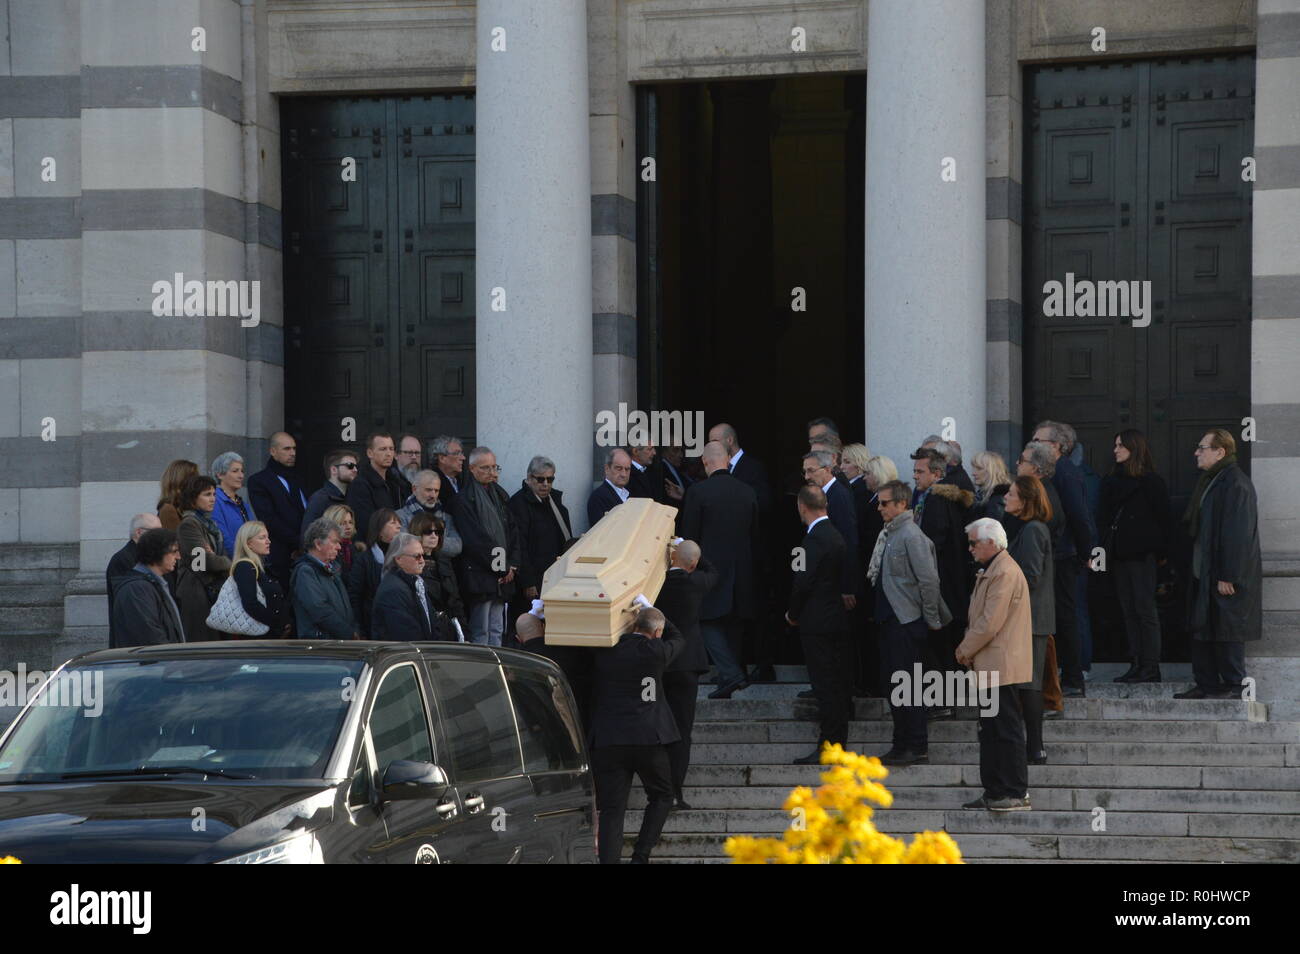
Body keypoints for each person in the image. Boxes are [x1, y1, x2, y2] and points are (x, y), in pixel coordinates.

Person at [588, 606, 685, 864]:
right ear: (657, 632)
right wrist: (651, 606)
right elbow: (678, 639)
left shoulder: (605, 651)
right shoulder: (657, 651)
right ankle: (641, 855)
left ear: (632, 627)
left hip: (609, 739)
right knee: (663, 795)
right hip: (648, 738)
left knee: (611, 809)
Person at [865, 479, 951, 766]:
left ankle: (916, 745)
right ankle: (901, 744)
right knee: (894, 686)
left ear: (902, 504)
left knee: (907, 686)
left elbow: (929, 581)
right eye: (879, 502)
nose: (880, 508)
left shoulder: (911, 536)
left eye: (885, 503)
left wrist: (930, 619)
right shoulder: (891, 534)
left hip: (906, 621)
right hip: (890, 621)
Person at [1176, 428, 1262, 700]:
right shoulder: (1212, 480)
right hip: (1205, 568)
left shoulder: (1235, 483)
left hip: (1223, 573)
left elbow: (1237, 533)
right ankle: (1206, 682)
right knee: (1204, 624)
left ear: (1220, 452)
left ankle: (1235, 685)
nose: (1196, 453)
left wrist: (1228, 575)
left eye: (1203, 448)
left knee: (1227, 628)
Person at [957, 517, 1033, 812]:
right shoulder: (995, 569)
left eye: (974, 543)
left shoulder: (1003, 572)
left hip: (1000, 664)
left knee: (1005, 728)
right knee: (990, 729)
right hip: (991, 664)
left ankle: (1014, 791)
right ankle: (996, 790)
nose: (971, 549)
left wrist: (964, 649)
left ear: (991, 543)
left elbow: (989, 623)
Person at [680, 440, 760, 699]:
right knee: (734, 623)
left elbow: (689, 537)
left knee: (704, 620)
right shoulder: (748, 492)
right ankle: (729, 675)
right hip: (742, 570)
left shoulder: (698, 492)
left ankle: (730, 672)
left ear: (705, 462)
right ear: (727, 460)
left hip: (708, 570)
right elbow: (754, 534)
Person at [787, 486, 853, 765]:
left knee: (825, 686)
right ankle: (835, 743)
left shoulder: (811, 540)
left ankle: (830, 745)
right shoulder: (835, 535)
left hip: (816, 622)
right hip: (834, 619)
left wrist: (792, 613)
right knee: (834, 685)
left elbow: (802, 581)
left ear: (802, 506)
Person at [1099, 429, 1171, 684]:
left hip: (1142, 556)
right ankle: (1136, 663)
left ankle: (1150, 666)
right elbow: (1103, 519)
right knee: (1129, 611)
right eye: (1115, 445)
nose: (1116, 450)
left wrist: (1162, 555)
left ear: (1134, 448)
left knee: (1144, 610)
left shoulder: (1151, 482)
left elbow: (1164, 521)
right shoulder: (1110, 481)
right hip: (1119, 555)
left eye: (1121, 445)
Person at [1031, 420, 1097, 697]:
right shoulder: (1054, 471)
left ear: (1057, 446)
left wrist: (1085, 553)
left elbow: (1079, 516)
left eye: (1039, 440)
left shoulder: (1065, 474)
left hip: (1064, 555)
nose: (1032, 444)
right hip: (1057, 554)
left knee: (1066, 616)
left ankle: (1072, 678)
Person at [655, 539, 719, 807]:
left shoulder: (656, 585)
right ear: (692, 564)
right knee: (682, 730)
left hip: (658, 663)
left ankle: (657, 791)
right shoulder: (696, 583)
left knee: (657, 729)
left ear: (671, 559)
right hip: (688, 664)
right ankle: (673, 792)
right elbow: (713, 571)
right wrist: (687, 550)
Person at [910, 446, 973, 708]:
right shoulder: (942, 497)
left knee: (941, 643)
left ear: (936, 474)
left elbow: (933, 542)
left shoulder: (935, 500)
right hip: (952, 582)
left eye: (919, 471)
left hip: (942, 584)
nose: (914, 476)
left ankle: (943, 701)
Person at [1002, 475, 1054, 765]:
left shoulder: (1034, 530)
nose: (1005, 498)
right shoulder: (1026, 528)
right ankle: (1032, 746)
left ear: (1025, 500)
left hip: (1031, 619)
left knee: (1030, 684)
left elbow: (1030, 576)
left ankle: (1035, 747)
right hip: (1027, 618)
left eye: (1011, 494)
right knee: (1025, 683)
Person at [449, 446, 521, 646]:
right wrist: (501, 567)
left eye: (494, 467)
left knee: (497, 629)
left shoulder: (500, 495)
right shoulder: (464, 500)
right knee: (481, 631)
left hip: (502, 574)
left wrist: (512, 565)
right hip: (480, 574)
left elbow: (512, 531)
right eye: (485, 468)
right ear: (472, 469)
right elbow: (475, 540)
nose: (492, 473)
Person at [246, 432, 310, 590]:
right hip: (280, 556)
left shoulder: (298, 478)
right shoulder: (259, 481)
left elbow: (306, 510)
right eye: (287, 449)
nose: (293, 453)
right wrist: (298, 542)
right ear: (273, 451)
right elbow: (269, 519)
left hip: (306, 552)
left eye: (294, 448)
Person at [515, 606, 594, 727]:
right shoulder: (568, 652)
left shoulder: (517, 666)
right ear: (543, 627)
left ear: (518, 639)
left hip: (549, 729)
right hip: (581, 718)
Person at [508, 455, 574, 600]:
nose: (545, 484)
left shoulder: (554, 501)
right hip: (534, 579)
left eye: (550, 479)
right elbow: (519, 545)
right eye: (540, 479)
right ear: (529, 478)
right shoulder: (519, 504)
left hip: (555, 575)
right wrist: (528, 582)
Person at [175, 475, 232, 640]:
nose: (213, 499)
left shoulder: (210, 524)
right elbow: (202, 562)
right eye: (207, 495)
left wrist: (216, 558)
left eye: (214, 494)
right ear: (193, 499)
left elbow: (217, 557)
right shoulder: (189, 524)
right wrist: (225, 562)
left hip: (213, 590)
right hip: (197, 592)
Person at [802, 450, 860, 608]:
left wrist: (847, 586)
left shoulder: (838, 495)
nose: (807, 477)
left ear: (827, 469)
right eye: (805, 471)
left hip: (835, 581)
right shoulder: (822, 494)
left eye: (811, 471)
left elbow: (848, 539)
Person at [110, 528, 185, 647]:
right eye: (174, 551)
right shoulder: (137, 589)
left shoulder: (151, 584)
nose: (178, 557)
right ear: (157, 552)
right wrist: (172, 659)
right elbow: (150, 637)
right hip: (156, 663)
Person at [291, 518, 358, 638]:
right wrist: (349, 633)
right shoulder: (305, 572)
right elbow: (319, 611)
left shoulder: (333, 568)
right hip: (322, 648)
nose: (339, 547)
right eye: (335, 542)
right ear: (318, 544)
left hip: (338, 643)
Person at [106, 513, 163, 647]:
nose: (161, 537)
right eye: (157, 532)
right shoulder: (123, 559)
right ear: (139, 532)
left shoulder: (144, 555)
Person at [409, 511, 467, 639]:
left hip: (447, 628)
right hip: (424, 629)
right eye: (428, 532)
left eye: (438, 532)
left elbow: (455, 599)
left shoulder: (444, 561)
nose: (434, 536)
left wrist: (463, 631)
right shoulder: (409, 562)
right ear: (417, 533)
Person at [228, 520, 292, 637]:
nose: (268, 541)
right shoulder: (244, 567)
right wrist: (278, 623)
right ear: (248, 543)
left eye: (267, 537)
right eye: (262, 538)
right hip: (261, 639)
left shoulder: (261, 566)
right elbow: (250, 604)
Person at [371, 532, 437, 640]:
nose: (422, 561)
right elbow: (406, 635)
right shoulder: (393, 591)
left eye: (422, 555)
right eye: (417, 556)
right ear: (398, 559)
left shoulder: (416, 582)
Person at [349, 508, 401, 637]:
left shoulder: (403, 556)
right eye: (393, 523)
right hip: (372, 624)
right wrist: (358, 628)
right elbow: (355, 596)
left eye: (399, 522)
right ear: (380, 528)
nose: (399, 526)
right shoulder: (364, 559)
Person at [345, 432, 404, 545]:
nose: (388, 454)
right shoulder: (360, 485)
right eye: (383, 449)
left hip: (395, 545)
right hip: (373, 548)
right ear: (370, 453)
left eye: (391, 449)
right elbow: (365, 524)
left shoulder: (396, 482)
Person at [398, 469, 463, 557]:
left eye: (436, 491)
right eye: (428, 490)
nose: (433, 495)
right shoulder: (400, 516)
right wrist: (437, 541)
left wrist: (428, 541)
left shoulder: (446, 517)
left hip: (443, 569)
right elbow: (403, 545)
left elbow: (457, 546)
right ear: (414, 489)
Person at [302, 449, 358, 537]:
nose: (355, 469)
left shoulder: (351, 497)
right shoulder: (319, 499)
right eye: (350, 465)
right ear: (334, 469)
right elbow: (307, 538)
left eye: (356, 466)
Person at [210, 451, 250, 558]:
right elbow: (222, 536)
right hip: (231, 563)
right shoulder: (215, 500)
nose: (241, 476)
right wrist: (239, 559)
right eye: (235, 471)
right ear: (220, 474)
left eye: (242, 471)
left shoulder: (242, 503)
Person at [588, 448, 633, 524]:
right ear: (607, 469)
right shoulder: (598, 497)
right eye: (619, 468)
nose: (623, 474)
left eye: (627, 469)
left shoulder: (630, 495)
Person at [971, 450, 1013, 521]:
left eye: (979, 468)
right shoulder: (983, 495)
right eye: (974, 468)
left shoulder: (998, 498)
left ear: (992, 471)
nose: (973, 473)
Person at [157, 459, 198, 530]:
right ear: (181, 481)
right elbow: (177, 539)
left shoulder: (188, 506)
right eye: (194, 478)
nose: (198, 483)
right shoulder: (168, 509)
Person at [322, 503, 357, 574]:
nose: (348, 527)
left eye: (350, 522)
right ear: (331, 524)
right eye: (343, 523)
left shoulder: (354, 549)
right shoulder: (326, 552)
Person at [430, 435, 466, 506]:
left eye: (462, 453)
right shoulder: (432, 483)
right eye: (457, 453)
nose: (463, 458)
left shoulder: (460, 481)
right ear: (442, 458)